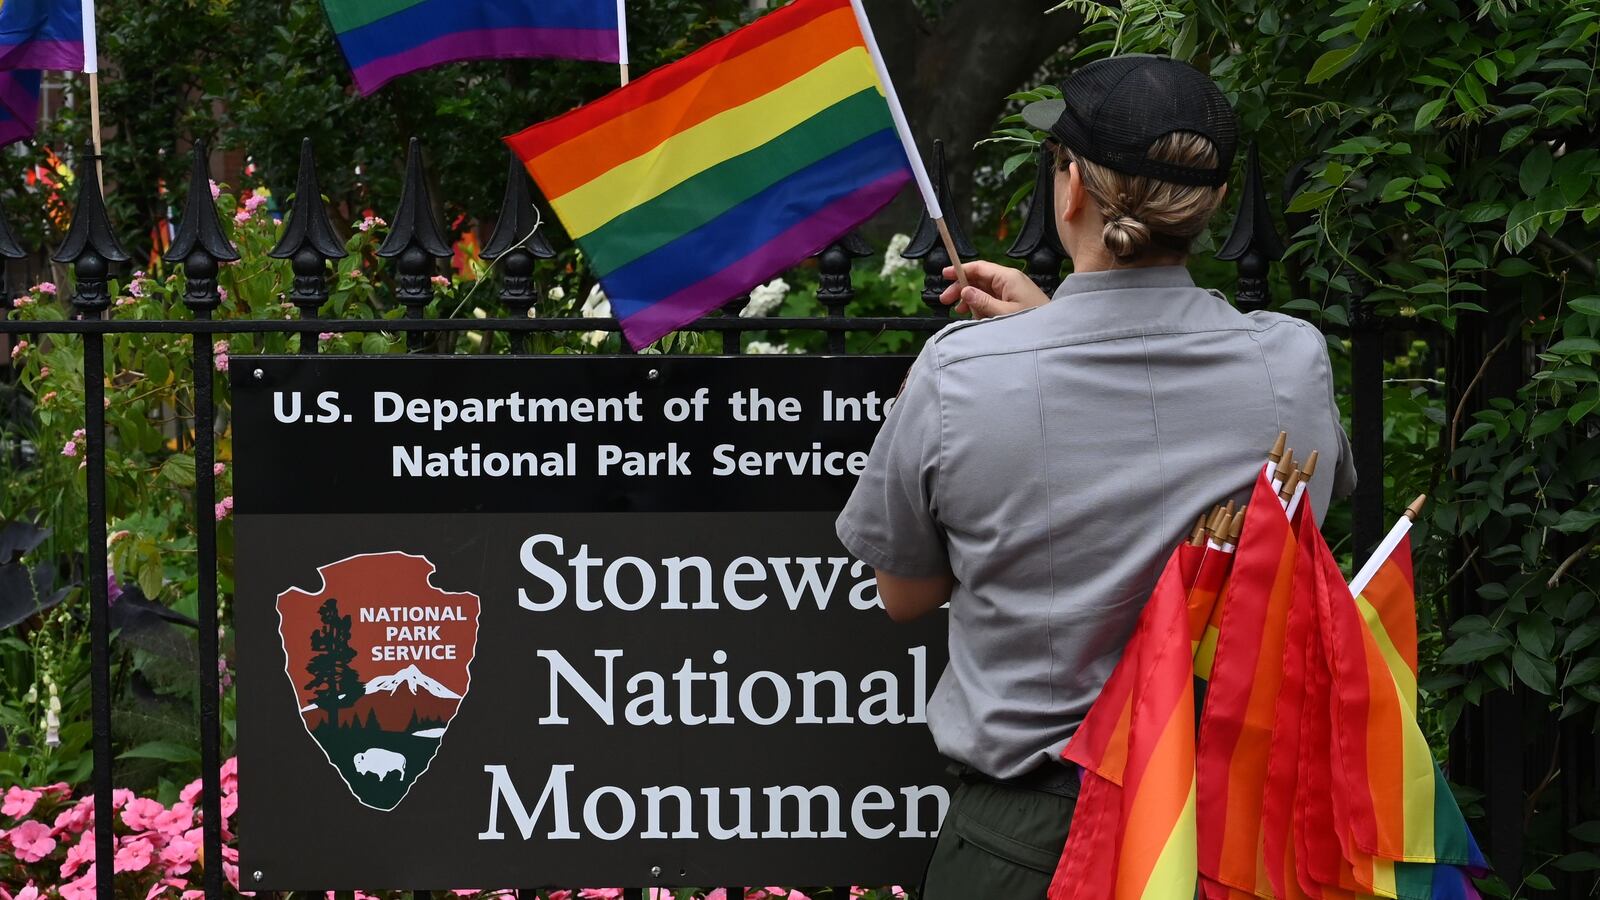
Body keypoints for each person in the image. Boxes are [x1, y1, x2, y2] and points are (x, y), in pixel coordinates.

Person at [834, 55, 1355, 898]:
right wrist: (1045, 333)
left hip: (1029, 843)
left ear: (1069, 188)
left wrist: (1018, 352)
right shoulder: (1291, 363)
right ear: (1213, 202)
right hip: (1228, 841)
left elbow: (906, 593)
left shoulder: (960, 376)